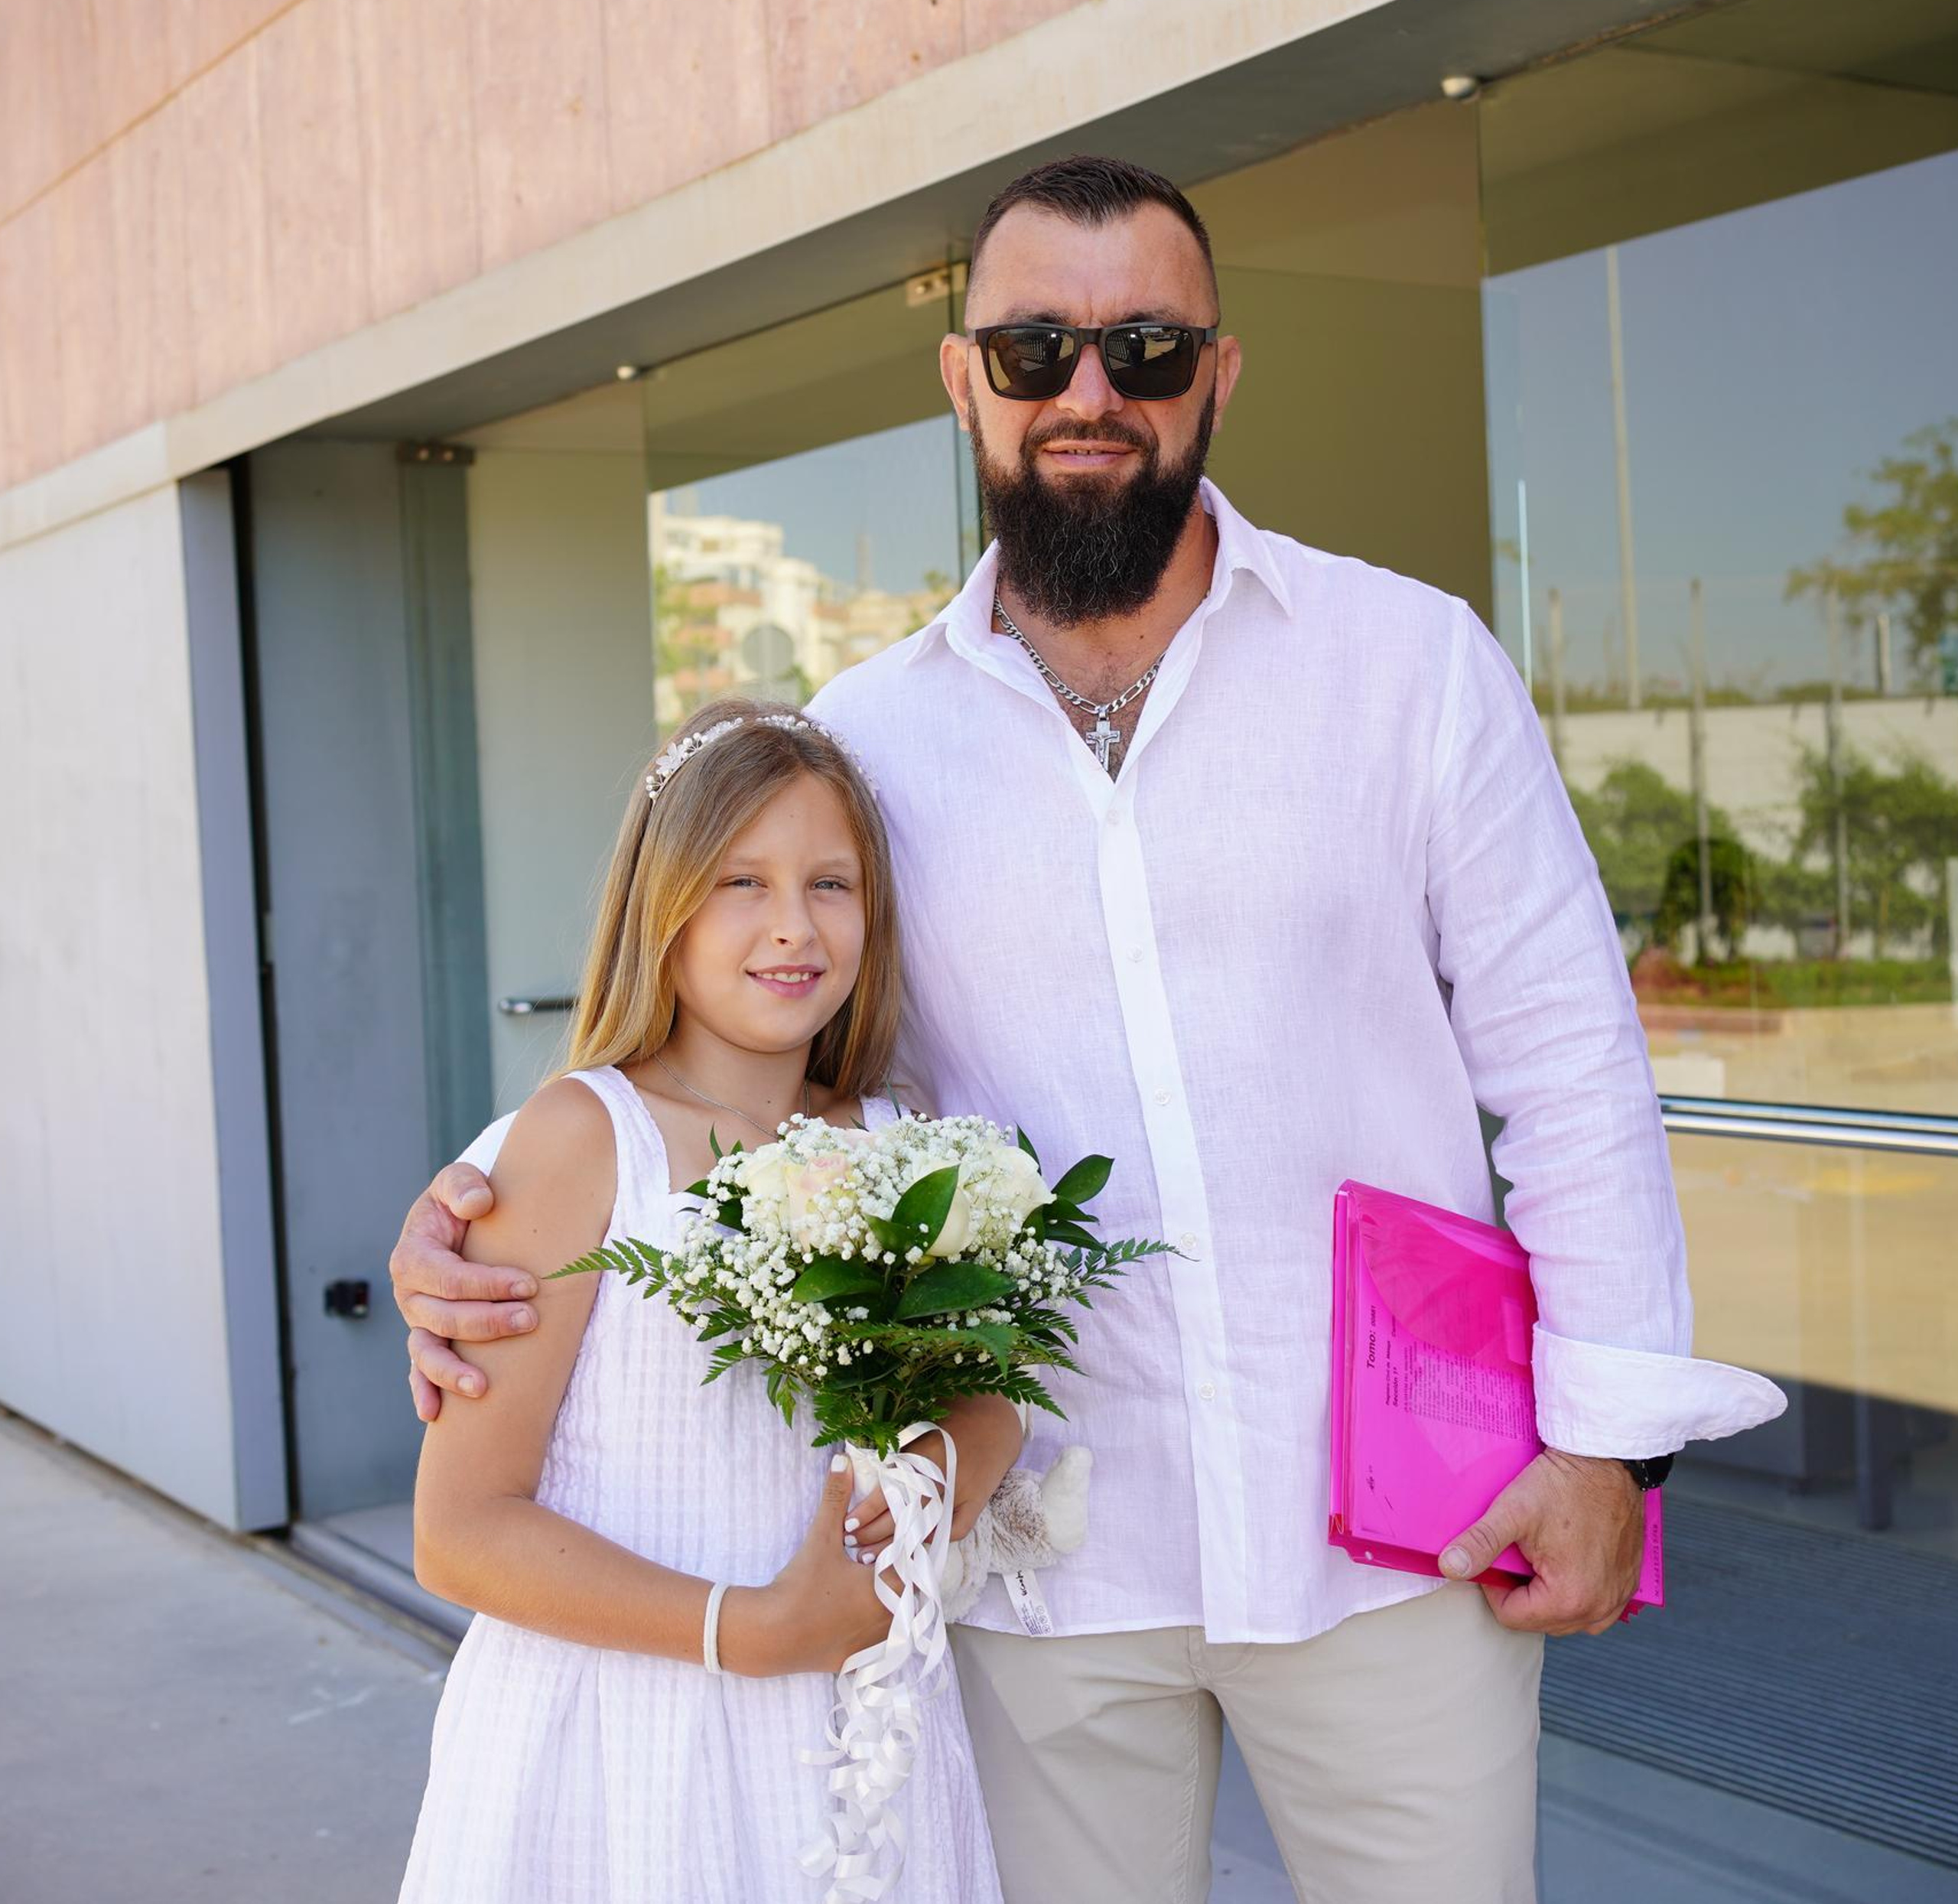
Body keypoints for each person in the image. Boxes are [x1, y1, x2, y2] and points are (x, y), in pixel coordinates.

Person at [392, 158, 1784, 1903]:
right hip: (1035, 1562)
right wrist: (476, 1205)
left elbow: (1570, 1064)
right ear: (963, 377)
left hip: (1396, 1546)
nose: (1090, 391)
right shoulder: (867, 736)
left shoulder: (1410, 665)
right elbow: (760, 1068)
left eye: (1146, 345)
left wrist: (1606, 1445)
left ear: (1218, 374)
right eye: (1035, 346)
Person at [396, 705, 1010, 1903]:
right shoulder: (585, 1140)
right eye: (742, 882)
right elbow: (458, 1530)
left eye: (831, 883)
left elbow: (990, 1396)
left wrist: (945, 1469)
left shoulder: (902, 1141)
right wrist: (754, 1629)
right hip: (621, 1736)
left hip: (857, 1737)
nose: (794, 926)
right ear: (661, 904)